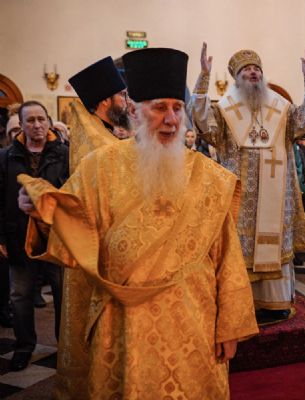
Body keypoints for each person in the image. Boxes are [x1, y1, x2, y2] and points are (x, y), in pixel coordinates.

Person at [17, 47, 258, 399]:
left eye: (177, 108)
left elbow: (227, 256)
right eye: (159, 108)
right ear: (134, 111)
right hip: (121, 321)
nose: (171, 119)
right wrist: (40, 212)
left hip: (193, 320)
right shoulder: (99, 166)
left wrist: (230, 325)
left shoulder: (209, 176)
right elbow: (72, 230)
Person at [190, 43, 305, 324]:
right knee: (239, 249)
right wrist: (203, 76)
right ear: (236, 77)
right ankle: (241, 303)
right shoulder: (225, 110)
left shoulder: (281, 108)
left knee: (274, 246)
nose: (253, 72)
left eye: (256, 69)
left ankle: (275, 303)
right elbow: (201, 121)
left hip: (276, 198)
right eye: (246, 69)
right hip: (241, 200)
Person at [51, 56, 130, 398]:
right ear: (105, 101)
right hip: (99, 255)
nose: (127, 101)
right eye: (122, 95)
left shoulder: (101, 136)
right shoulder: (100, 147)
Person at [0, 101, 68, 371]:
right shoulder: (6, 157)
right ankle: (24, 346)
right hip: (18, 236)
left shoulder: (65, 154)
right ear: (21, 125)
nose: (37, 125)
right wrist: (1, 238)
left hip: (56, 237)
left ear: (49, 121)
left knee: (63, 295)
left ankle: (65, 348)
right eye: (30, 120)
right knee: (20, 296)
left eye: (41, 119)